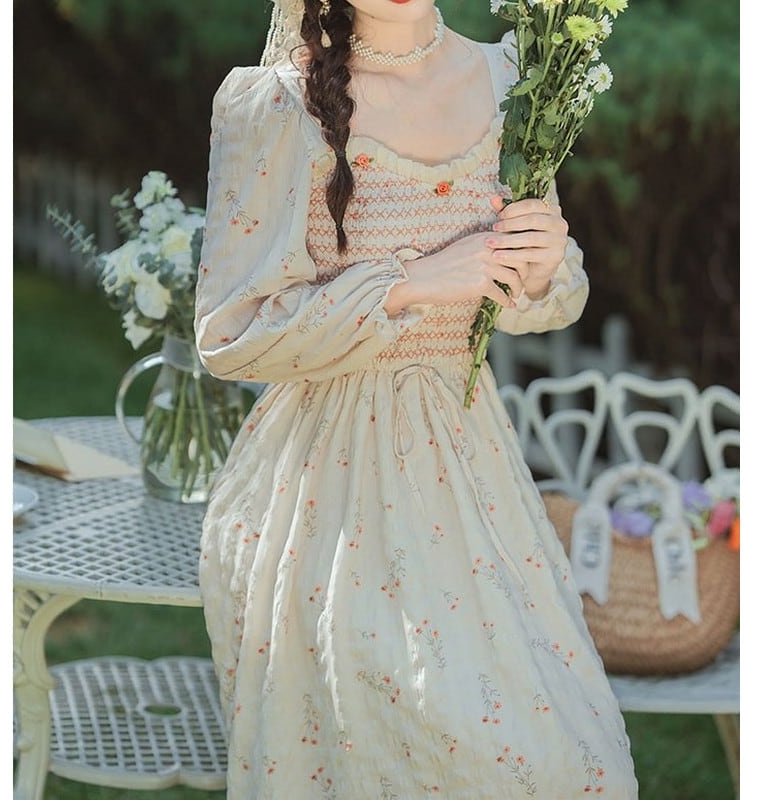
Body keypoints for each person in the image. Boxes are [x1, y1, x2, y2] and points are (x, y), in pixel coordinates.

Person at [194, 0, 639, 796]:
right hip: (328, 484)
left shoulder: (516, 79)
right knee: (398, 740)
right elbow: (231, 335)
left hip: (470, 464)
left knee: (566, 757)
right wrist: (410, 283)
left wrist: (541, 265)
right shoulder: (276, 104)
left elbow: (549, 295)